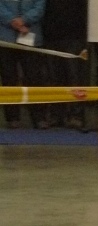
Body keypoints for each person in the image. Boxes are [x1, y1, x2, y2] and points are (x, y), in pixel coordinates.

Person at [0, 0, 49, 129]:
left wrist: (24, 20)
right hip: (5, 38)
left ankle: (39, 117)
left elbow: (39, 8)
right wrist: (12, 21)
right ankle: (12, 118)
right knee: (9, 78)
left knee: (34, 78)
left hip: (30, 35)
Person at [43, 0, 88, 129]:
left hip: (75, 37)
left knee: (75, 78)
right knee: (54, 78)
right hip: (51, 37)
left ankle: (76, 115)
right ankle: (56, 115)